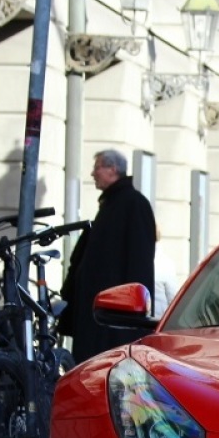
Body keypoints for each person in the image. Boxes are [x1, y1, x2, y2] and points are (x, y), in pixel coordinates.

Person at [62, 149, 156, 361]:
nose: (93, 174)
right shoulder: (112, 204)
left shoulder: (133, 204)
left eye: (97, 168)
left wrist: (132, 315)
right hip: (102, 317)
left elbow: (139, 264)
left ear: (112, 170)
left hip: (115, 321)